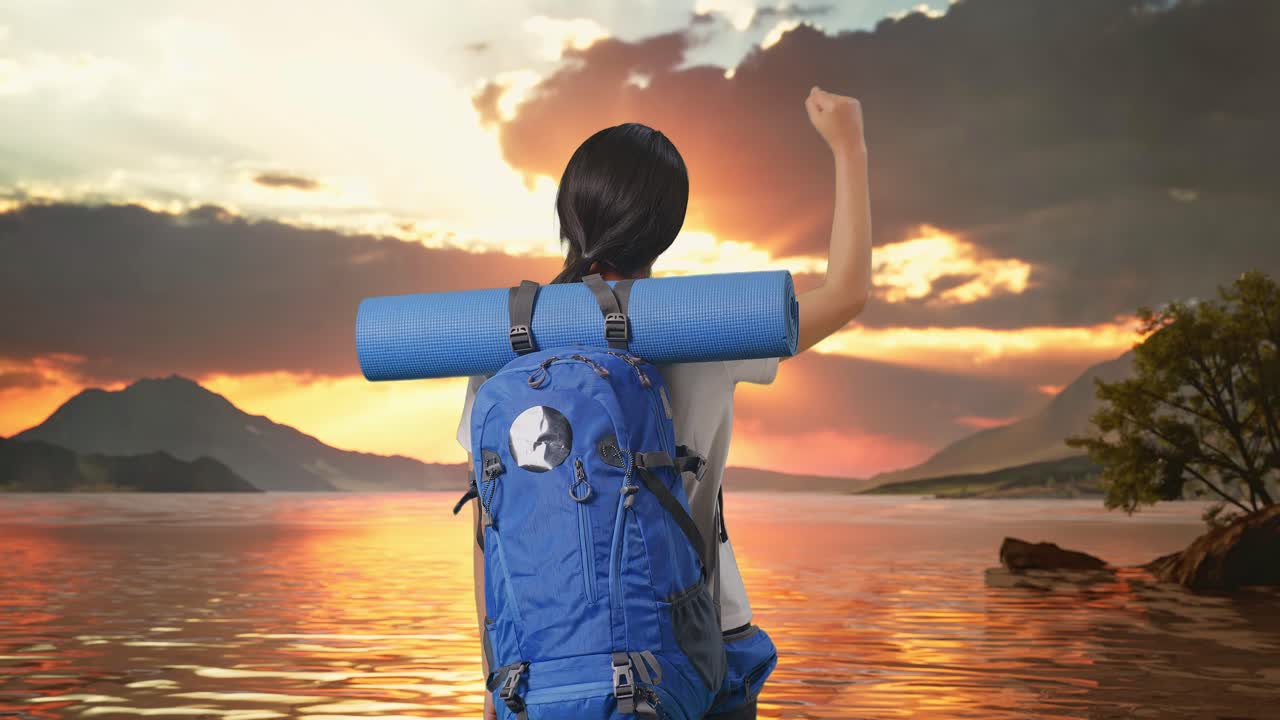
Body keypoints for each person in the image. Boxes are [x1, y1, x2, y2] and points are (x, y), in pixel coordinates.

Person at [456, 85, 872, 719]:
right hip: (699, 650)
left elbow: (491, 529)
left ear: (569, 213)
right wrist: (848, 142)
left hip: (543, 665)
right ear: (669, 228)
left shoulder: (509, 344)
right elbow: (847, 292)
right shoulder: (708, 328)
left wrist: (496, 688)